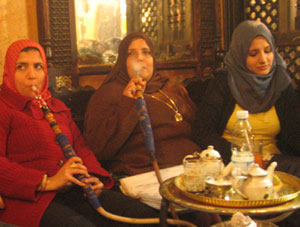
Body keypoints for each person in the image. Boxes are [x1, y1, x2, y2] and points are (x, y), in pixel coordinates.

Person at [0, 39, 161, 227]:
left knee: (139, 213)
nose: (32, 75)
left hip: (74, 190)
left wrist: (94, 177)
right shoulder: (4, 108)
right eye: (21, 67)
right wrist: (47, 182)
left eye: (38, 67)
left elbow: (81, 148)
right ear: (9, 72)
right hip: (30, 198)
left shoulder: (56, 107)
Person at [192, 20, 300, 226]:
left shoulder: (281, 83)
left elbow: (294, 133)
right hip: (230, 164)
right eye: (253, 54)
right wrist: (242, 159)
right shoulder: (224, 83)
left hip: (273, 165)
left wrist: (266, 162)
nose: (264, 59)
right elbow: (202, 130)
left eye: (268, 51)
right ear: (241, 54)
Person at [84, 32, 201, 176]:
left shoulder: (171, 87)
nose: (140, 58)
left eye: (146, 53)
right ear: (122, 61)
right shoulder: (109, 94)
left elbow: (200, 128)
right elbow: (98, 148)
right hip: (145, 172)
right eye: (131, 54)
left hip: (193, 167)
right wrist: (128, 103)